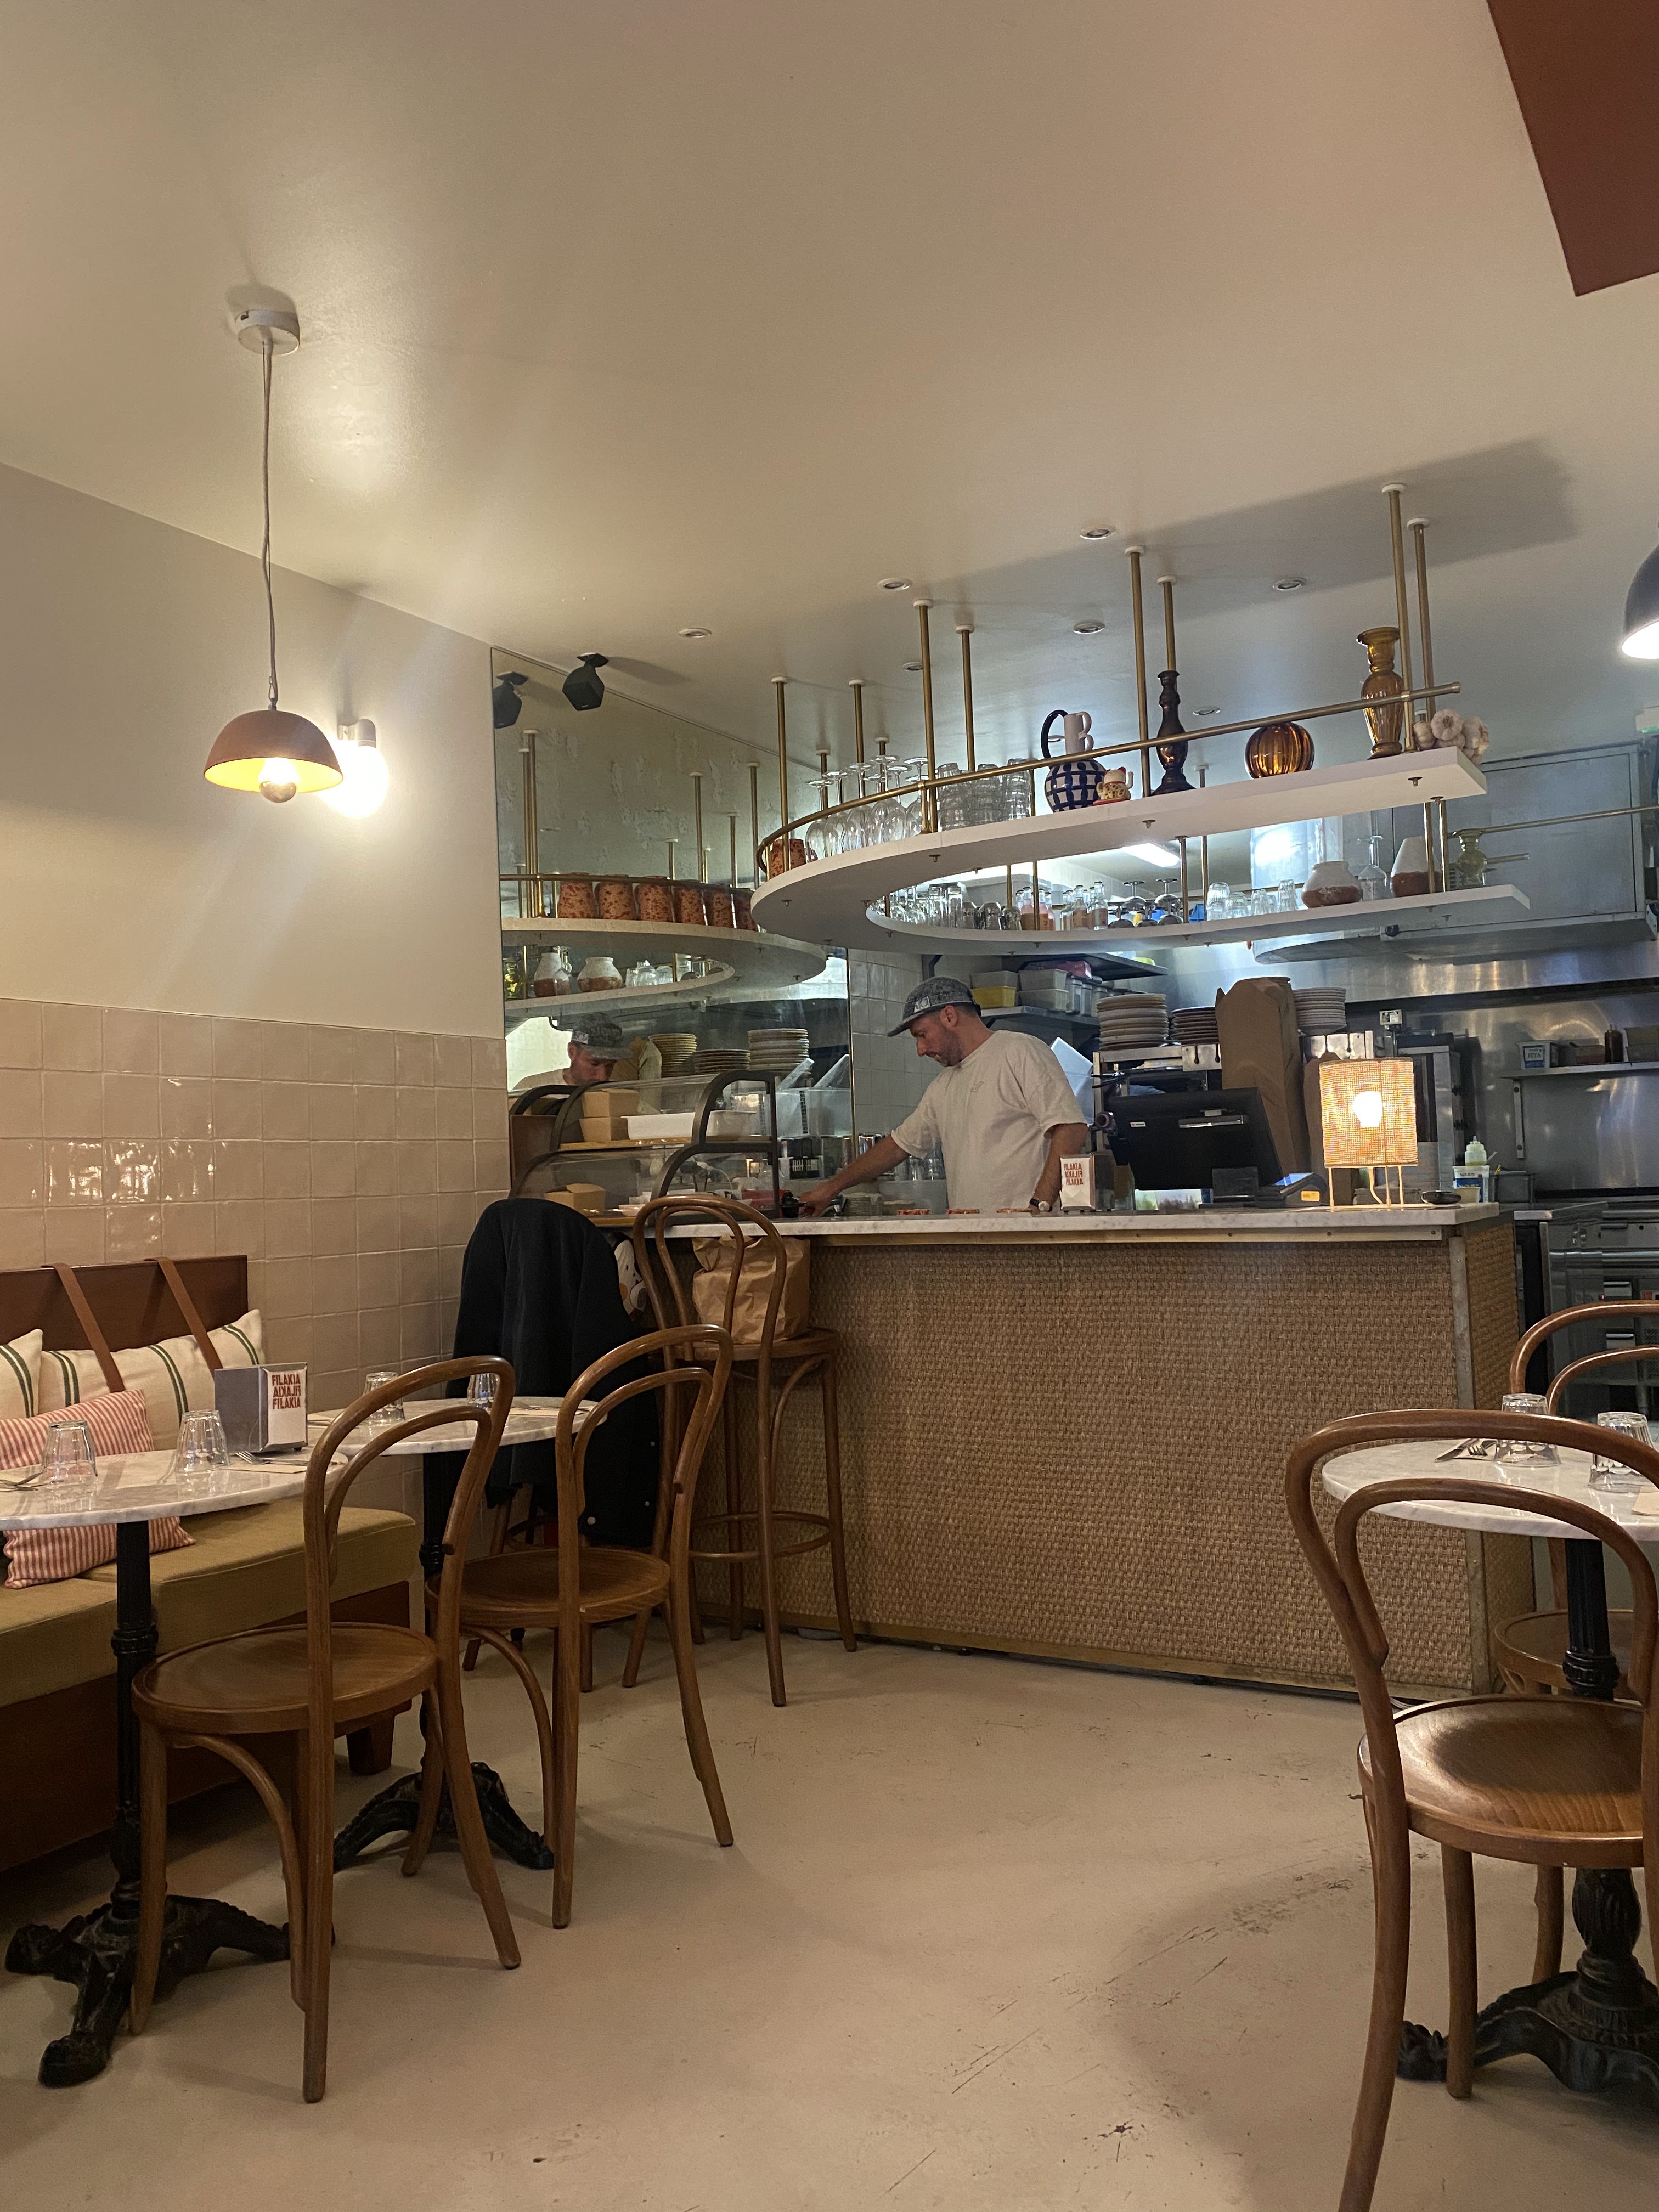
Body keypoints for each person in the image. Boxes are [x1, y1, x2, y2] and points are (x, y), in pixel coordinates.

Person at [800, 978, 1090, 1216]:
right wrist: (829, 1189)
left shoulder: (1020, 1051)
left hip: (1027, 1232)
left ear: (949, 1016)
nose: (920, 1050)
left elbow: (1071, 1129)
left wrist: (1039, 1205)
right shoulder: (943, 1086)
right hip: (970, 1236)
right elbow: (898, 1146)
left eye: (922, 1035)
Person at [562, 1014, 625, 1087]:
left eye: (610, 1066)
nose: (603, 1077)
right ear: (572, 1052)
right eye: (594, 1064)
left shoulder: (622, 1088)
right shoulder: (550, 1088)